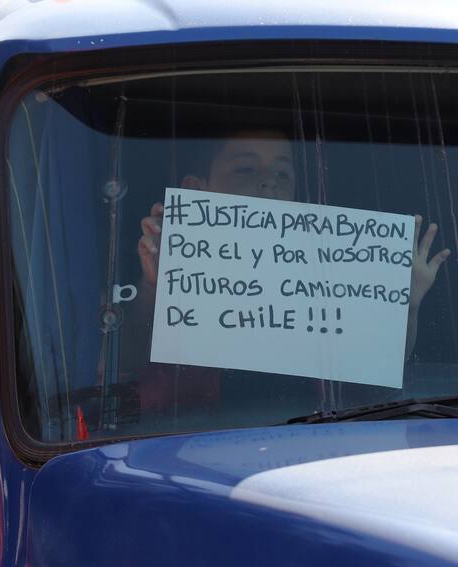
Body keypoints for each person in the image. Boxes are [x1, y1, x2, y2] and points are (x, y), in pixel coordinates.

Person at [124, 129, 450, 415]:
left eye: (283, 173)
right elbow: (129, 365)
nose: (270, 181)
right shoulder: (178, 272)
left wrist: (404, 305)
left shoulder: (331, 275)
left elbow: (375, 378)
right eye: (245, 168)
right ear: (196, 189)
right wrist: (154, 286)